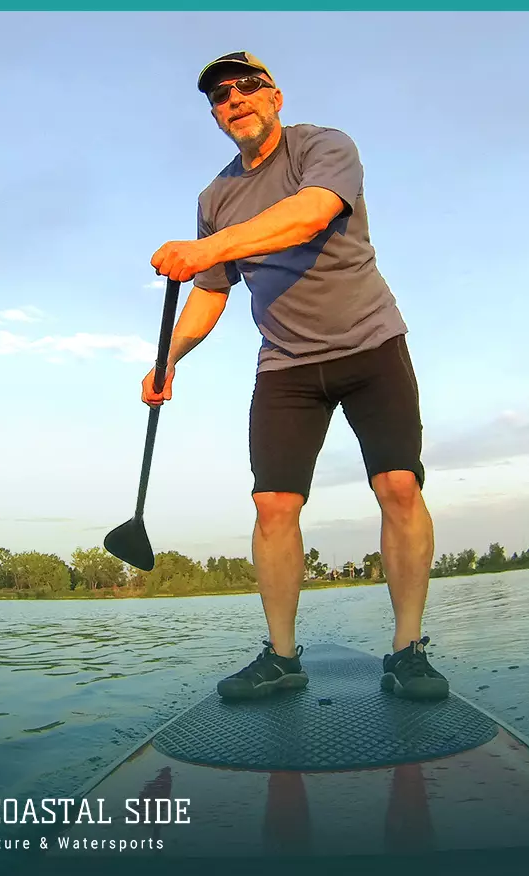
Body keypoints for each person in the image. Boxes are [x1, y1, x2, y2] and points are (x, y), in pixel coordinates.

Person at [144, 51, 448, 703]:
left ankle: (408, 651)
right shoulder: (215, 197)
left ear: (275, 95)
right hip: (286, 364)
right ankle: (282, 658)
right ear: (216, 115)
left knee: (398, 486)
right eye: (220, 95)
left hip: (370, 344)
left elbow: (309, 212)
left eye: (248, 85)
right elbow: (211, 293)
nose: (235, 98)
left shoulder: (324, 147)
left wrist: (206, 248)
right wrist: (168, 358)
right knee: (272, 505)